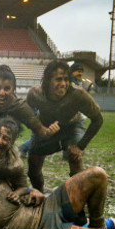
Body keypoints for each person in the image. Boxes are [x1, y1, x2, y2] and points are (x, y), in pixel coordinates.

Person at [26, 60, 104, 192]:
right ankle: (39, 194)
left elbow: (98, 119)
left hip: (72, 126)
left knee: (75, 158)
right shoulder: (35, 94)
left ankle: (76, 203)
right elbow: (27, 113)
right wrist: (40, 128)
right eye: (58, 79)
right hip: (46, 128)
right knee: (33, 166)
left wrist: (80, 146)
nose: (63, 84)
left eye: (66, 79)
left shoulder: (78, 95)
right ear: (47, 80)